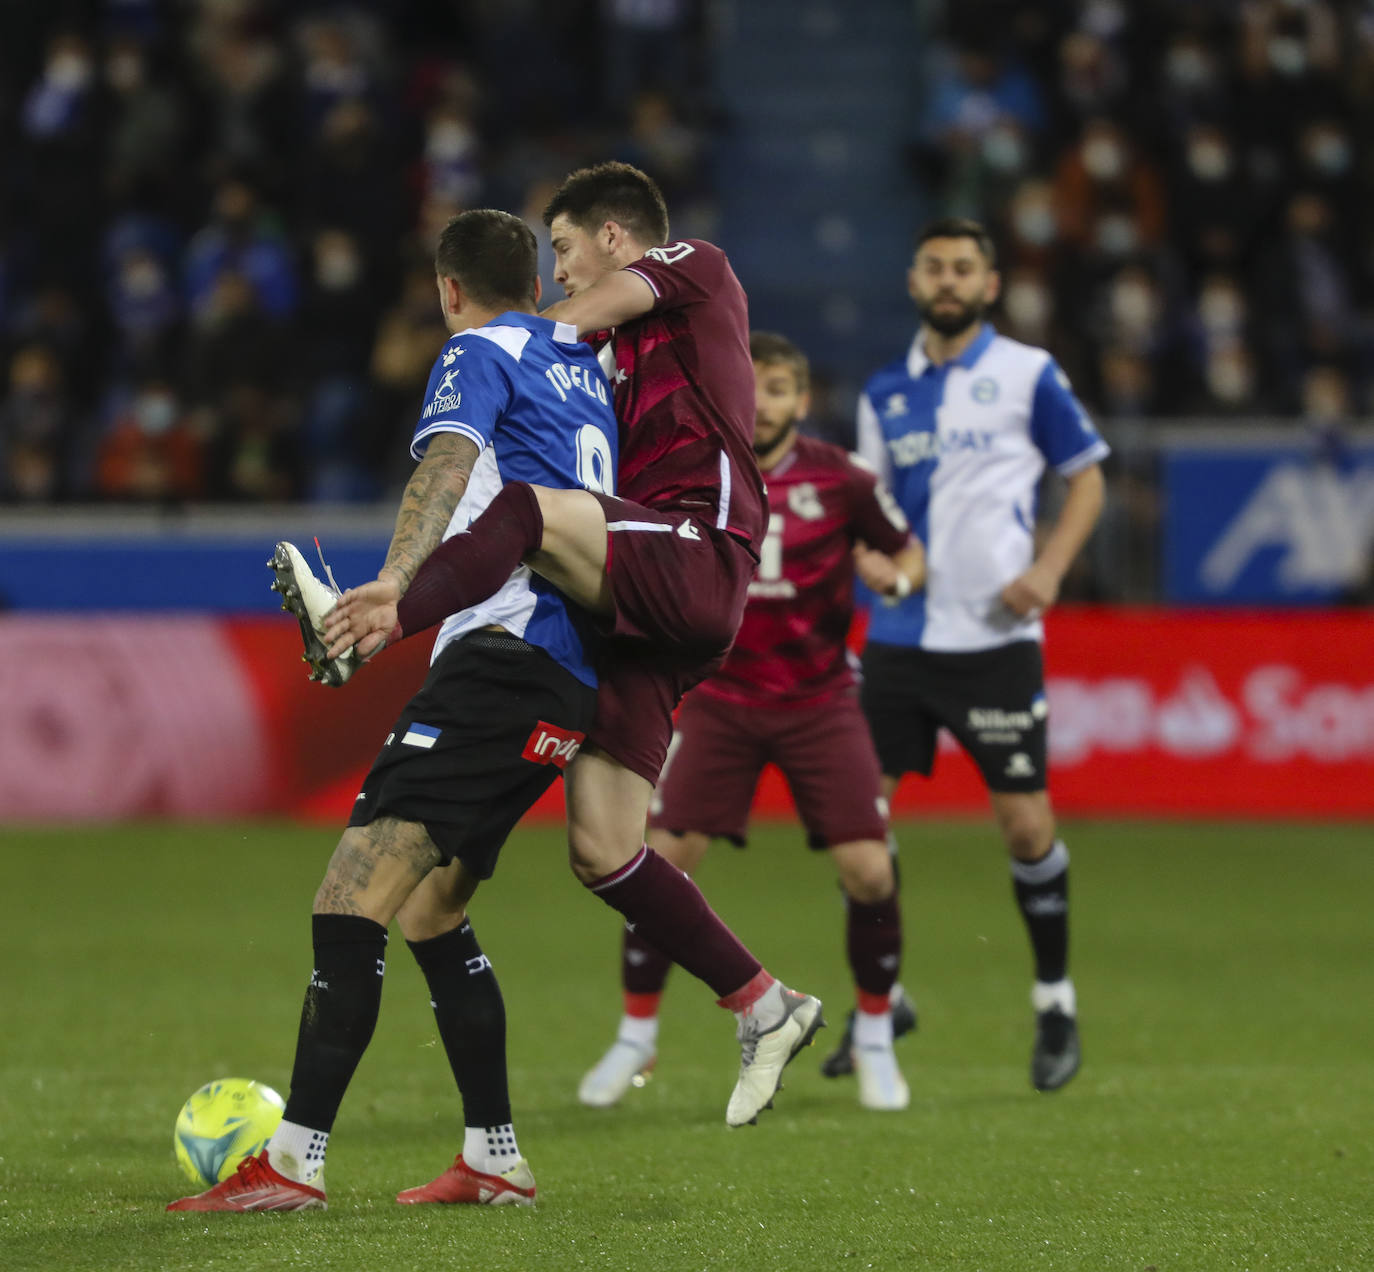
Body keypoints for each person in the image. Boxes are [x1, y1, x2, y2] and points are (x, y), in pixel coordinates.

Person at [324, 162, 823, 1131]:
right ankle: (766, 1003)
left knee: (526, 513)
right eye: (545, 259)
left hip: (696, 547)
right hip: (637, 603)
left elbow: (571, 320)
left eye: (562, 248)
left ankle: (393, 609)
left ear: (612, 235)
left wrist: (493, 329)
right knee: (602, 849)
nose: (556, 274)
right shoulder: (606, 365)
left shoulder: (696, 271)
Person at [167, 208, 620, 1212]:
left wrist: (392, 587)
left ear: (449, 290)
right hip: (567, 674)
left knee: (350, 895)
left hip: (502, 660)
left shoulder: (476, 353)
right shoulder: (591, 365)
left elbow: (446, 466)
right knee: (430, 905)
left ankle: (292, 1165)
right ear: (538, 283)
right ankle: (494, 1156)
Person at [577, 331, 926, 1113]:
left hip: (820, 700)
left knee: (870, 869)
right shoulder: (694, 464)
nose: (763, 401)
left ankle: (873, 1033)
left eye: (780, 388)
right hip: (721, 700)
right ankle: (637, 1033)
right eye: (754, 384)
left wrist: (895, 578)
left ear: (801, 402)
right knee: (658, 858)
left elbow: (908, 555)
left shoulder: (844, 480)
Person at [853, 217, 1108, 1093]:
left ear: (991, 285)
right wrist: (870, 562)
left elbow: (1088, 475)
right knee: (860, 829)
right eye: (935, 267)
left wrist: (1048, 569)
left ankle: (1054, 1002)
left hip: (997, 641)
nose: (950, 280)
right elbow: (868, 508)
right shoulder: (884, 390)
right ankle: (883, 1000)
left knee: (1028, 826)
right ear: (915, 280)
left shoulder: (1028, 374)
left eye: (965, 268)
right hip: (898, 638)